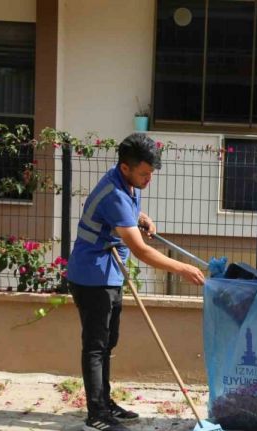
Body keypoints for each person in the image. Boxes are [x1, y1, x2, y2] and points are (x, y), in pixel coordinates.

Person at [67, 133, 206, 431]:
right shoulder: (115, 194)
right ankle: (96, 415)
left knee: (108, 342)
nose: (148, 180)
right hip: (92, 276)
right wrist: (182, 268)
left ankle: (105, 403)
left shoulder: (127, 183)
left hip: (110, 272)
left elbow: (124, 213)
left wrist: (139, 216)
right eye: (145, 173)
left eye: (151, 173)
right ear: (126, 167)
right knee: (95, 345)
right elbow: (142, 250)